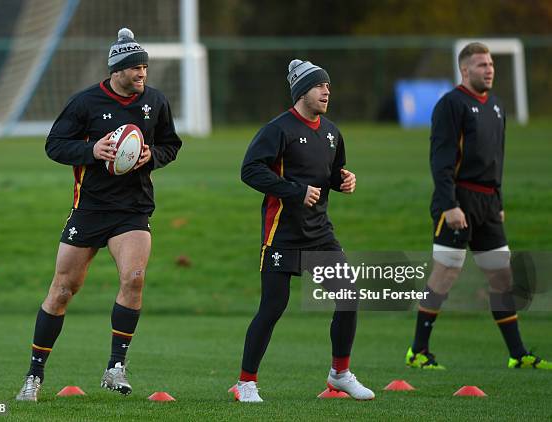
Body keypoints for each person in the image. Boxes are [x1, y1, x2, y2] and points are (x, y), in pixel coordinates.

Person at [16, 28, 182, 401]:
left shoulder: (155, 101)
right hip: (89, 209)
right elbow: (55, 145)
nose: (142, 74)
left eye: (145, 67)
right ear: (116, 70)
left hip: (133, 211)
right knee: (62, 291)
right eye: (135, 68)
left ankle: (115, 367)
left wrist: (151, 156)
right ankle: (34, 375)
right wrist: (93, 150)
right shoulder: (84, 103)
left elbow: (171, 143)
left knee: (134, 279)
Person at [234, 59, 375, 402]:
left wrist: (344, 181)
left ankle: (340, 374)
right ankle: (246, 382)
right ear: (301, 92)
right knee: (273, 306)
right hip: (281, 233)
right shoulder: (277, 129)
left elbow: (332, 172)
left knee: (348, 294)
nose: (327, 91)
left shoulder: (331, 132)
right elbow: (250, 171)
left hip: (319, 233)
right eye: (319, 86)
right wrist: (295, 190)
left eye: (328, 85)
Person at [405, 42, 550, 370]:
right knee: (445, 273)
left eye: (491, 64)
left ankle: (517, 355)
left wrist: (497, 201)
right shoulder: (451, 104)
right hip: (458, 200)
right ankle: (417, 351)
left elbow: (497, 158)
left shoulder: (497, 106)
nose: (489, 69)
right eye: (482, 64)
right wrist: (449, 204)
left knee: (501, 276)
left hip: (487, 204)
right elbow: (440, 160)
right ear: (465, 69)